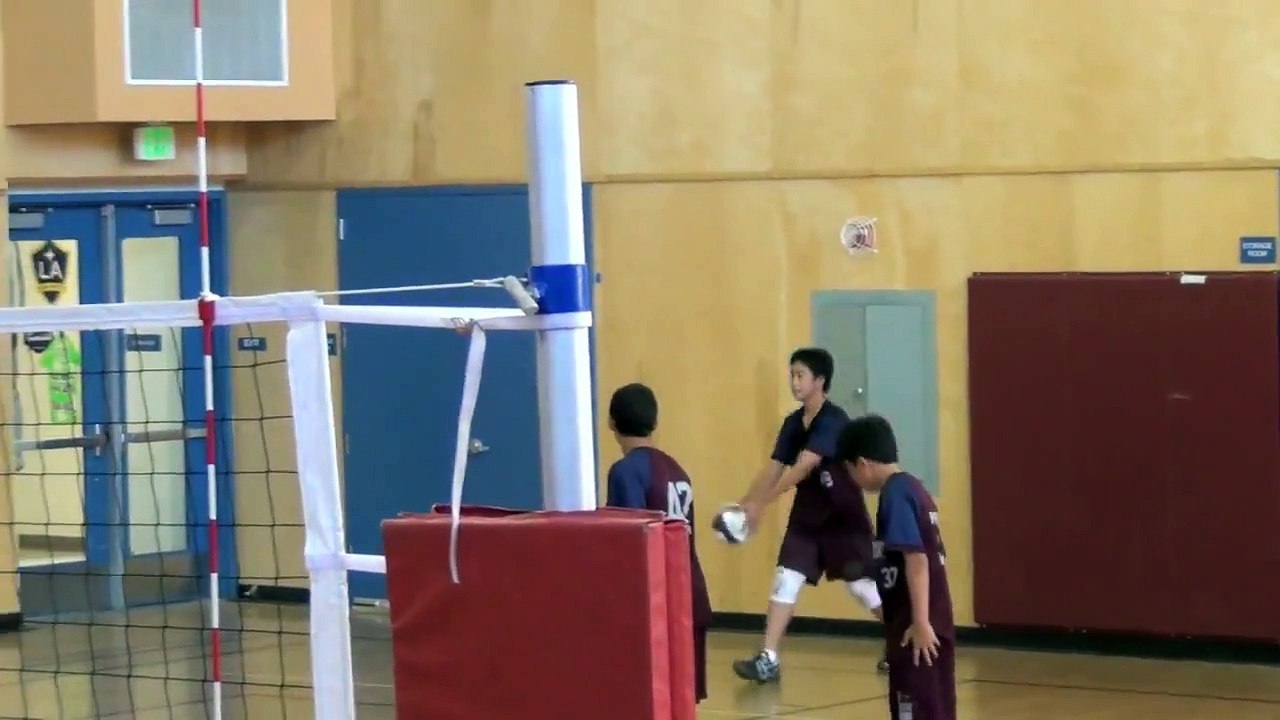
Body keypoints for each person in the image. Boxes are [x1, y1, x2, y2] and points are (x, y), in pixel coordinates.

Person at [731, 348, 884, 684]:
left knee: (861, 588)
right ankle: (767, 658)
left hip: (842, 519)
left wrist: (764, 503)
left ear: (820, 380)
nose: (794, 381)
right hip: (807, 519)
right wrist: (745, 503)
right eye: (792, 375)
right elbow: (775, 468)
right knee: (786, 578)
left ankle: (902, 638)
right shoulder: (791, 423)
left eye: (800, 375)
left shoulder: (834, 420)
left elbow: (803, 466)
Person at [836, 413, 956, 720]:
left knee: (913, 708)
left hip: (915, 632)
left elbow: (916, 559)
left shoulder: (895, 494)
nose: (853, 481)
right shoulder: (915, 488)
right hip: (933, 624)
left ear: (862, 463)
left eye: (850, 471)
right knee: (936, 708)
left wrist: (920, 622)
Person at [604, 382, 712, 704]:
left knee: (650, 698)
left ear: (611, 422)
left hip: (657, 601)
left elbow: (633, 538)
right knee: (682, 699)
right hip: (691, 593)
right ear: (654, 421)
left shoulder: (625, 472)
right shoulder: (678, 470)